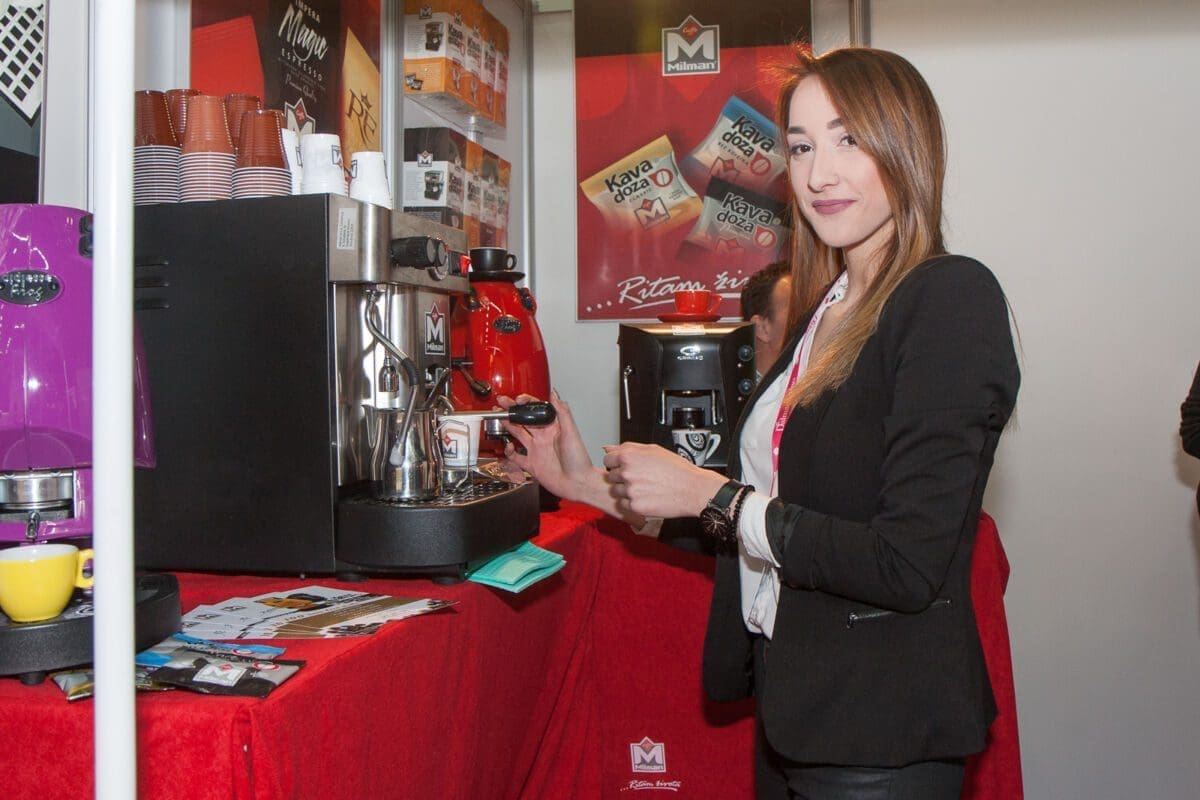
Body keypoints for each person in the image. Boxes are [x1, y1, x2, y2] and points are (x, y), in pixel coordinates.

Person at [499, 46, 1019, 799]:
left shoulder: (948, 297)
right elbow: (770, 514)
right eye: (801, 148)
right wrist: (582, 483)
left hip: (880, 732)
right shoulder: (825, 309)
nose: (819, 174)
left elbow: (904, 562)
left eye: (848, 140)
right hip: (796, 711)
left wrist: (709, 493)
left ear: (908, 146)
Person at [740, 261, 794, 378]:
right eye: (798, 308)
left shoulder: (826, 385)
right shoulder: (728, 387)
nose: (812, 318)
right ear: (762, 328)